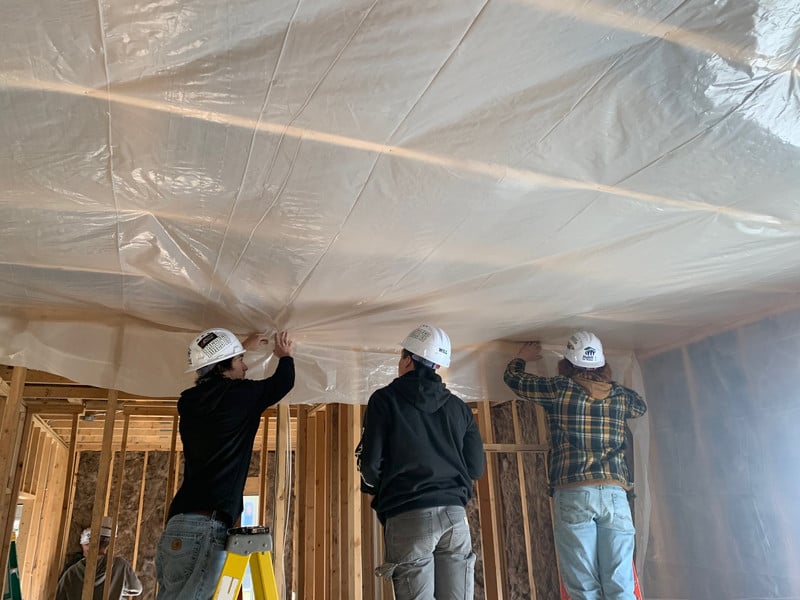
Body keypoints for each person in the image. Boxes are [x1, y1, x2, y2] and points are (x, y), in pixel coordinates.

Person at [503, 332, 647, 600]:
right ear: (603, 365)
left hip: (575, 492)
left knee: (583, 588)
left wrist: (520, 359)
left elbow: (514, 379)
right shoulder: (619, 396)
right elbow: (640, 406)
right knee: (620, 585)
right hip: (616, 495)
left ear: (567, 365)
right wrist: (610, 387)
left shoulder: (559, 389)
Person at [155, 328, 295, 599]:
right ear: (225, 364)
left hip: (180, 524)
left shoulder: (189, 401)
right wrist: (284, 355)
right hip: (205, 529)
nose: (245, 367)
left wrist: (241, 347)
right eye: (240, 360)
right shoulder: (240, 396)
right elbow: (282, 383)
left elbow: (217, 379)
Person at [356, 324, 486, 599]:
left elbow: (369, 466)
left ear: (406, 360)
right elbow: (475, 468)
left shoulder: (384, 400)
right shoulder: (459, 408)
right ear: (438, 365)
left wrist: (386, 485)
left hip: (408, 515)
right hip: (454, 516)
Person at [55, 516, 142, 600]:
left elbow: (59, 596)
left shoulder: (72, 571)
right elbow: (137, 589)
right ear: (110, 543)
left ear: (91, 539)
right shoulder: (120, 565)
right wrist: (116, 589)